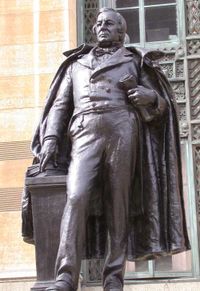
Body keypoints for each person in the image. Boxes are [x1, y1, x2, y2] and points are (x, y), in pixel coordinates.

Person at [31, 7, 190, 291]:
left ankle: (113, 277)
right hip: (84, 132)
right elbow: (59, 105)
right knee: (76, 197)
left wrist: (149, 96)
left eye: (110, 23)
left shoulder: (134, 61)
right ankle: (65, 276)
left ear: (121, 31)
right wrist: (52, 139)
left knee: (119, 204)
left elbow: (163, 106)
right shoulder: (76, 64)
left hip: (122, 130)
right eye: (99, 23)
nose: (102, 26)